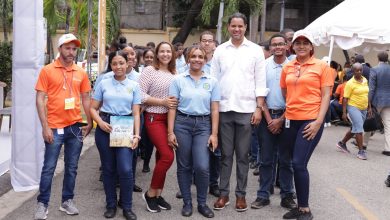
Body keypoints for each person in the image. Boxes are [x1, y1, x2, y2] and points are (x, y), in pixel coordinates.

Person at [211, 12, 268, 212]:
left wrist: (259, 108)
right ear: (228, 27)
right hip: (224, 109)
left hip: (246, 110)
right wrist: (214, 109)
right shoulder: (220, 51)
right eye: (233, 26)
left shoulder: (255, 51)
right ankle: (224, 194)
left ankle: (241, 196)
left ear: (245, 28)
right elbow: (213, 82)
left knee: (243, 156)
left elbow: (260, 81)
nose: (237, 29)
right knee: (225, 155)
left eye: (240, 26)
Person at [34, 33, 93, 220]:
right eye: (67, 48)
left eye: (74, 48)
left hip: (75, 127)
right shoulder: (47, 70)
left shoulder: (81, 72)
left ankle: (67, 201)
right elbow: (40, 99)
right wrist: (45, 127)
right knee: (49, 167)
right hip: (54, 127)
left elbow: (85, 98)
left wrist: (90, 122)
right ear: (59, 49)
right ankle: (42, 204)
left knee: (72, 167)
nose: (71, 52)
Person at [279, 30, 333, 220]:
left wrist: (318, 121)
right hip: (290, 120)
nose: (301, 46)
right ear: (292, 46)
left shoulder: (322, 67)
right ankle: (297, 203)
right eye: (297, 43)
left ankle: (304, 209)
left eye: (305, 42)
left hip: (311, 120)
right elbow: (285, 92)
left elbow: (326, 96)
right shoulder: (288, 66)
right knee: (289, 161)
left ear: (311, 46)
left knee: (298, 163)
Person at [167, 46, 220, 218]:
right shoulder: (178, 80)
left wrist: (214, 134)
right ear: (188, 59)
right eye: (193, 56)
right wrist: (170, 132)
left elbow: (214, 110)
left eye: (200, 57)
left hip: (204, 125)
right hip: (182, 123)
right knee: (184, 166)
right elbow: (172, 108)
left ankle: (202, 203)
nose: (197, 59)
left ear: (205, 60)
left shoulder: (212, 81)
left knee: (202, 166)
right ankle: (187, 203)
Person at [90, 51, 141, 220]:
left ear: (127, 64)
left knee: (126, 169)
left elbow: (136, 114)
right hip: (105, 127)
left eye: (121, 63)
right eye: (114, 63)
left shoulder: (134, 85)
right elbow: (92, 108)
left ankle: (127, 206)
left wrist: (137, 135)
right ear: (110, 65)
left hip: (125, 128)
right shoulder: (104, 83)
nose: (118, 66)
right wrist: (100, 122)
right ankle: (111, 204)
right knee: (108, 169)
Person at [250, 34, 296, 210]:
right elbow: (260, 93)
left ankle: (287, 195)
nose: (278, 47)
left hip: (288, 117)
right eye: (274, 44)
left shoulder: (293, 67)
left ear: (286, 46)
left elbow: (295, 97)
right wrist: (270, 119)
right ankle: (263, 195)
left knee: (286, 160)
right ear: (270, 47)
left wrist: (281, 119)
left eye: (281, 44)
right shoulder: (263, 66)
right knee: (266, 159)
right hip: (266, 116)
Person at [139, 41, 178, 213]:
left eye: (168, 51)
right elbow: (139, 94)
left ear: (172, 54)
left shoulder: (175, 73)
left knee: (161, 156)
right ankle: (150, 193)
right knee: (168, 157)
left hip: (169, 119)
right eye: (162, 51)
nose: (165, 54)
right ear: (157, 54)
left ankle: (158, 194)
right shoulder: (150, 70)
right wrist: (161, 101)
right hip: (154, 117)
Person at [337, 63, 370, 160]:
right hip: (353, 107)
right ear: (353, 71)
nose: (359, 72)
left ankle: (342, 143)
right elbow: (345, 98)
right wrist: (344, 112)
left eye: (360, 70)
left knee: (355, 127)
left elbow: (366, 94)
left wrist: (370, 107)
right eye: (357, 70)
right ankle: (361, 151)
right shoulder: (350, 83)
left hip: (363, 108)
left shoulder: (365, 80)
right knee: (359, 128)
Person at [368, 51, 390, 156]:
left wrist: (369, 101)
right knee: (388, 125)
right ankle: (388, 148)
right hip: (389, 100)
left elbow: (371, 88)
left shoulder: (374, 69)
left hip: (377, 100)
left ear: (378, 58)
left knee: (370, 120)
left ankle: (363, 143)